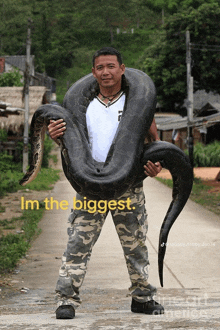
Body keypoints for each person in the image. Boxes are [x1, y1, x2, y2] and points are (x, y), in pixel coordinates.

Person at [48, 47, 164, 319]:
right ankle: (66, 299)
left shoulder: (136, 102)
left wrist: (155, 165)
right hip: (91, 186)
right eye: (100, 67)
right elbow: (70, 144)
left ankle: (142, 297)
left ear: (123, 69)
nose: (106, 72)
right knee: (77, 243)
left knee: (135, 243)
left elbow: (153, 141)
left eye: (111, 66)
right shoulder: (82, 104)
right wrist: (55, 136)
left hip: (128, 186)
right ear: (93, 72)